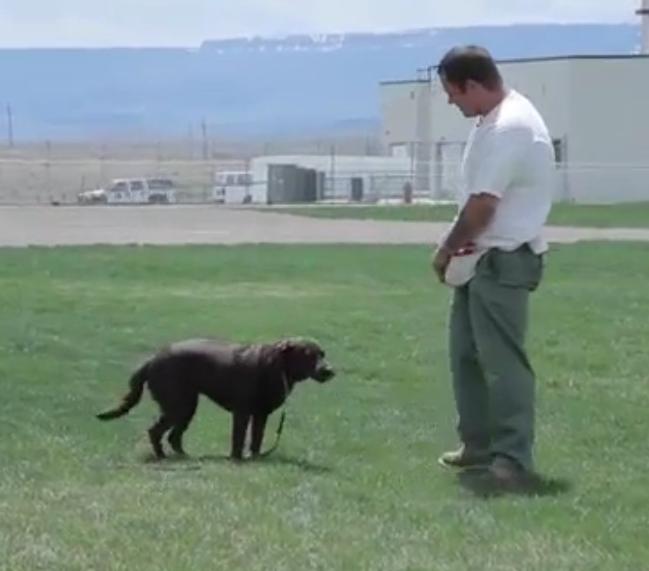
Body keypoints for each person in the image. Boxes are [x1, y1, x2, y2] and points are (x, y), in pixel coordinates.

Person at [431, 46, 555, 490]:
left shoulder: (512, 127)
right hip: (478, 259)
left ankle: (512, 458)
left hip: (503, 261)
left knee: (503, 363)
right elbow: (473, 198)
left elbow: (484, 206)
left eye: (453, 93)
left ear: (473, 85)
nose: (451, 102)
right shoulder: (488, 122)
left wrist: (446, 249)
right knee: (464, 355)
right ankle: (477, 444)